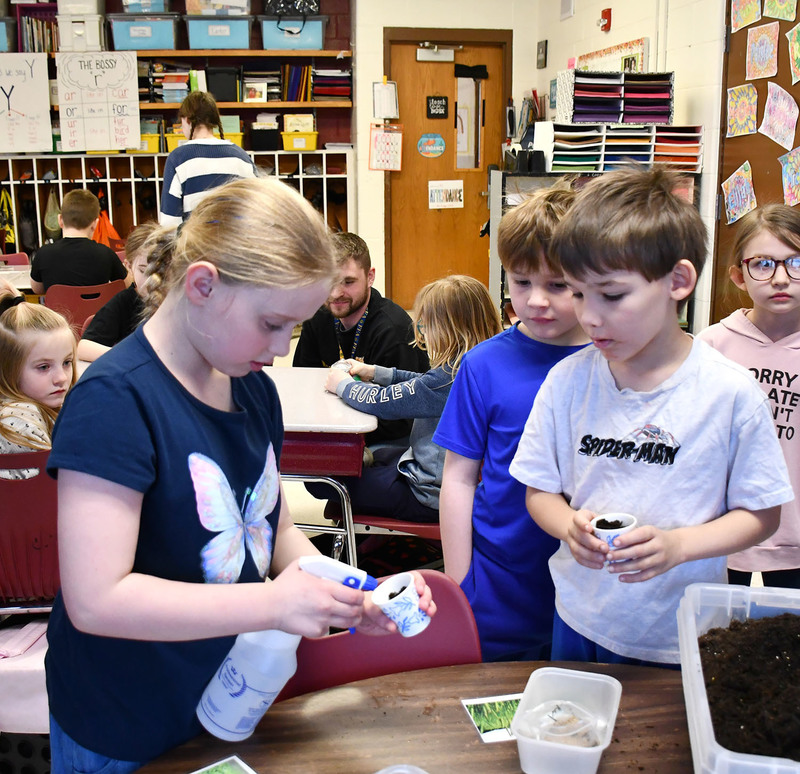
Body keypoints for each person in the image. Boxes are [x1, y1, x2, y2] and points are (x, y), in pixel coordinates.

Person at [44, 177, 436, 772]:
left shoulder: (252, 388)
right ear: (202, 285)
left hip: (229, 696)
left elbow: (271, 528)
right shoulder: (115, 402)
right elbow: (97, 600)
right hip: (125, 719)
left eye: (295, 327)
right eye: (273, 323)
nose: (282, 349)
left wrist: (349, 593)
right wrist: (273, 605)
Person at [509, 167, 793, 668]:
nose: (589, 316)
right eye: (577, 292)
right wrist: (567, 526)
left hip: (680, 634)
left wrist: (680, 545)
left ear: (678, 281)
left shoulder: (729, 393)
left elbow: (761, 514)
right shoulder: (567, 382)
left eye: (611, 295)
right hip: (580, 618)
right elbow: (539, 491)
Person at [434, 184, 590, 662]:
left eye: (557, 285)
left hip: (590, 588)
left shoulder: (615, 362)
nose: (537, 300)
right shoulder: (483, 365)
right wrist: (461, 582)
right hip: (499, 585)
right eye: (521, 282)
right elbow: (458, 479)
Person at [320, 275, 501, 523]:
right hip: (436, 474)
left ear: (450, 329)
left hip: (428, 494)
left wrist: (343, 386)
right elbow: (423, 381)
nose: (423, 332)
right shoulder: (474, 365)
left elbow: (382, 402)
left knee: (326, 480)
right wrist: (376, 372)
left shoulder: (449, 380)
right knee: (376, 457)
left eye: (426, 325)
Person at [697, 204, 800, 589]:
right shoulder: (711, 346)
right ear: (739, 275)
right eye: (763, 264)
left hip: (795, 537)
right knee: (715, 636)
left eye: (796, 263)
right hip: (721, 531)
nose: (781, 278)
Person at [293, 231, 430, 444]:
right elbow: (302, 384)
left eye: (348, 282)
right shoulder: (318, 316)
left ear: (370, 277)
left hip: (386, 442)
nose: (335, 293)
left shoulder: (394, 330)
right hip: (331, 429)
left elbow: (401, 419)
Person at [0, 279, 76, 479]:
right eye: (43, 367)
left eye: (67, 362)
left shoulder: (41, 402)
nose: (61, 378)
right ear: (9, 368)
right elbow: (45, 493)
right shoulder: (17, 420)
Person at [159, 91, 256, 227]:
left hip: (194, 246)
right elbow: (257, 210)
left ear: (187, 120)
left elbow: (169, 222)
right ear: (214, 122)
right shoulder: (241, 157)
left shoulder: (178, 159)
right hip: (236, 244)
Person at [77, 222, 159, 362]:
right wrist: (131, 357)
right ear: (129, 266)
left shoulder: (178, 299)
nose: (151, 279)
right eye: (143, 270)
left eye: (159, 269)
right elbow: (84, 348)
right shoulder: (124, 302)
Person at [29, 189, 131, 294]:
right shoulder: (106, 253)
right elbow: (127, 285)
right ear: (95, 224)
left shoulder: (43, 253)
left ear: (60, 220)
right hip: (97, 311)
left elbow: (37, 289)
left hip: (56, 311)